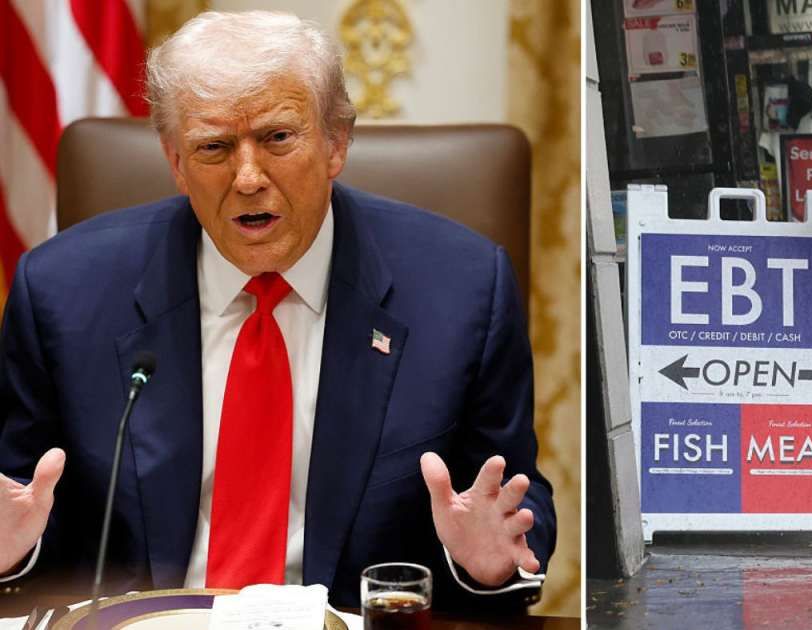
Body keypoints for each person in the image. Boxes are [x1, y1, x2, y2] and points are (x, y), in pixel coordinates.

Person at [0, 11, 554, 611]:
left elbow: (507, 504)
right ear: (176, 162)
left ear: (337, 142)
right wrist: (13, 547)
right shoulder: (61, 293)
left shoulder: (464, 290)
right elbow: (25, 508)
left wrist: (486, 563)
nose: (247, 177)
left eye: (277, 138)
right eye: (213, 147)